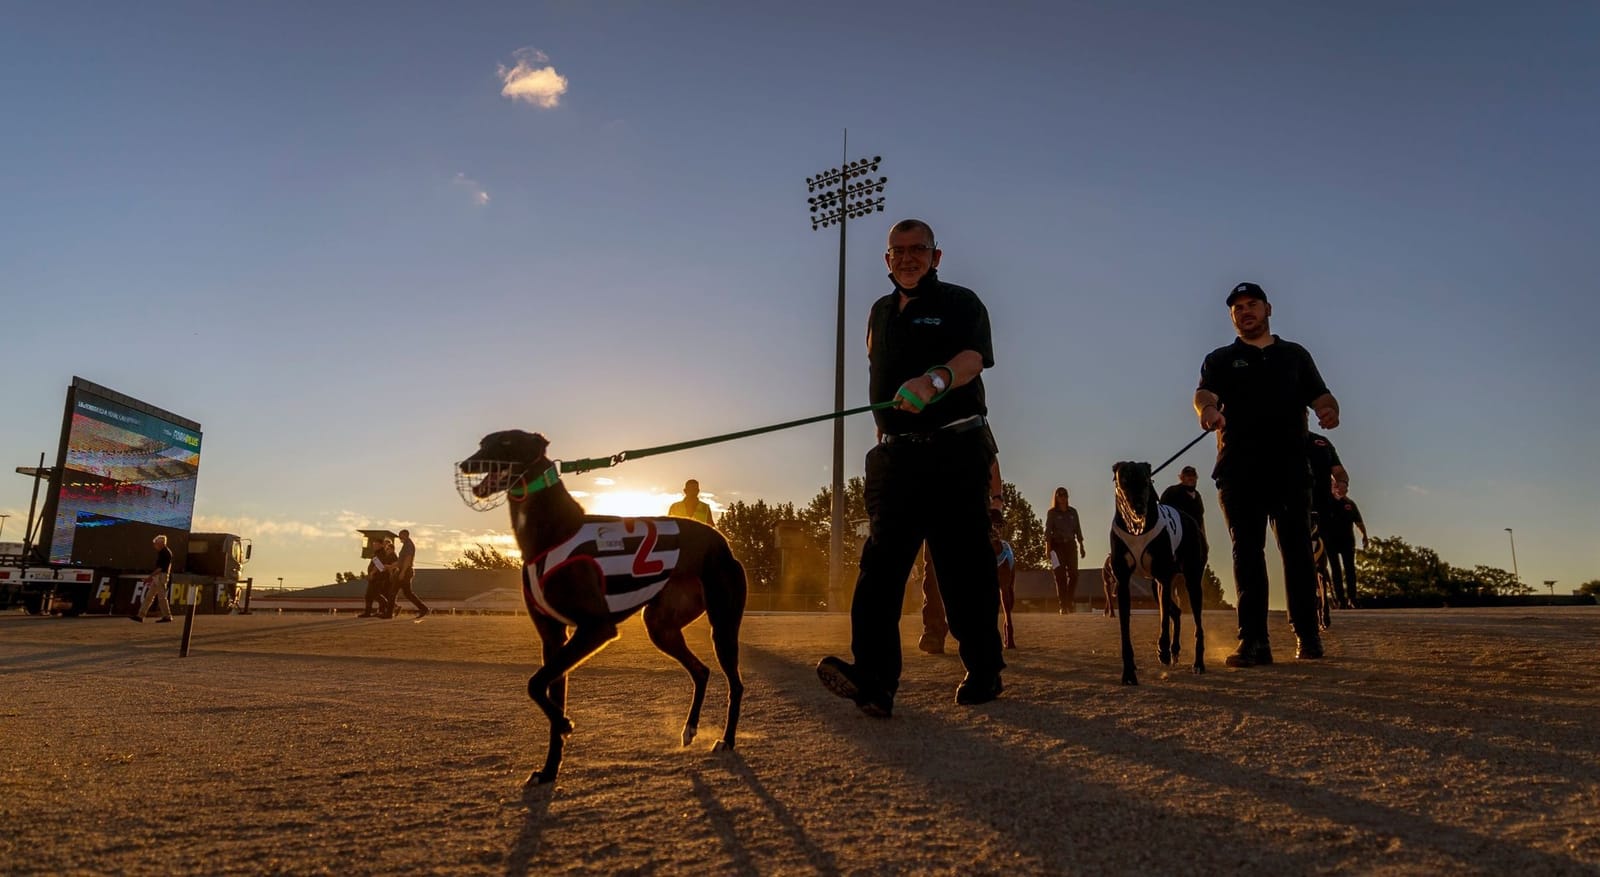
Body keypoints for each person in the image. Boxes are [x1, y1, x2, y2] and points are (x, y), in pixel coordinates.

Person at [817, 218, 1005, 716]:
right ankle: (875, 680)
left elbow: (973, 359)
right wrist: (884, 433)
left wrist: (935, 381)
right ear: (886, 260)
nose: (907, 257)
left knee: (961, 566)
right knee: (879, 565)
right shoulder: (879, 312)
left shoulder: (962, 302)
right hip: (896, 457)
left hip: (956, 451)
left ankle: (984, 668)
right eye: (896, 251)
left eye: (917, 249)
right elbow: (877, 375)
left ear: (935, 257)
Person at [1195, 281, 1340, 666]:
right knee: (1247, 553)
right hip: (1238, 471)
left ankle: (1308, 637)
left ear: (1268, 309)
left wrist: (1329, 410)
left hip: (1290, 469)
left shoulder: (1295, 355)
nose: (1246, 311)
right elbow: (1204, 393)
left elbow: (1322, 395)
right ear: (1232, 317)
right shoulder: (1221, 359)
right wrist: (1208, 412)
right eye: (1238, 307)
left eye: (1252, 304)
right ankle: (1254, 642)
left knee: (1297, 554)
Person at [918, 459, 1007, 654]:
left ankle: (978, 633)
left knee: (973, 569)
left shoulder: (973, 430)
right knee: (932, 570)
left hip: (972, 501)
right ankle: (934, 631)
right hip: (934, 502)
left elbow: (991, 460)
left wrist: (997, 500)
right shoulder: (920, 431)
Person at [1322, 482, 1368, 608]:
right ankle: (1340, 600)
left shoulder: (1350, 504)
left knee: (1350, 569)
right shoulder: (1326, 503)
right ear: (1335, 487)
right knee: (1335, 570)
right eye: (1343, 486)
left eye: (1346, 487)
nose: (1346, 489)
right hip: (1330, 542)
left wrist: (1364, 535)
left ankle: (1352, 599)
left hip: (1347, 541)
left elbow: (1358, 521)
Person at [1044, 487, 1086, 613]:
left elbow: (1078, 529)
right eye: (1060, 495)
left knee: (1074, 574)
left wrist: (1082, 545)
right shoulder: (1052, 513)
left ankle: (1069, 600)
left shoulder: (1073, 512)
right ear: (1056, 497)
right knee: (1060, 576)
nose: (1063, 497)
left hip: (1071, 545)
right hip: (1057, 547)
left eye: (1065, 495)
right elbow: (1047, 532)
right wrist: (1048, 548)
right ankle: (1063, 605)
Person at [131, 534, 175, 623]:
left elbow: (160, 568)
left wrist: (149, 577)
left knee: (161, 598)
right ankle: (140, 616)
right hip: (159, 577)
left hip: (161, 577)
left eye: (156, 543)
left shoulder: (165, 553)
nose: (155, 545)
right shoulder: (163, 552)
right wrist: (152, 578)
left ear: (161, 543)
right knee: (149, 597)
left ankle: (167, 616)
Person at [388, 529, 430, 619]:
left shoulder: (408, 545)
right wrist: (391, 566)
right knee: (408, 593)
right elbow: (401, 561)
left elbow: (408, 558)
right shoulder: (406, 545)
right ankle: (423, 608)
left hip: (405, 571)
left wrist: (402, 572)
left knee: (393, 592)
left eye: (400, 536)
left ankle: (388, 614)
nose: (399, 538)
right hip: (404, 570)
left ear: (405, 535)